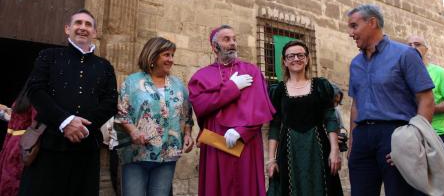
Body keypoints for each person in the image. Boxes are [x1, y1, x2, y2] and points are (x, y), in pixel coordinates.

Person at [19, 9, 118, 196]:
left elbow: (111, 101)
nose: (83, 28)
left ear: (95, 32)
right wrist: (65, 122)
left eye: (88, 24)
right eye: (78, 23)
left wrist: (82, 127)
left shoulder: (105, 66)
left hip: (87, 149)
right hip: (49, 146)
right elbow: (36, 90)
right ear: (67, 29)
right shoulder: (48, 56)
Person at [347, 4, 435, 196]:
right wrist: (353, 142)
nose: (350, 33)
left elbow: (426, 99)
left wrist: (413, 141)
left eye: (354, 26)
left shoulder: (405, 54)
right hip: (362, 138)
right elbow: (356, 105)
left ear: (372, 22)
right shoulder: (355, 64)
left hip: (396, 135)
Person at [188, 25, 275, 196]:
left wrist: (241, 131)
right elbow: (200, 105)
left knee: (245, 186)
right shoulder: (201, 76)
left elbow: (258, 107)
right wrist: (232, 88)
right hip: (216, 139)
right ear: (214, 47)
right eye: (226, 39)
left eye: (234, 39)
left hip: (245, 141)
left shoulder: (251, 71)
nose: (233, 43)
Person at [114, 37, 194, 196]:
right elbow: (121, 112)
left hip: (168, 155)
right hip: (136, 154)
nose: (171, 59)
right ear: (153, 55)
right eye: (166, 55)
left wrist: (187, 135)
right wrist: (133, 131)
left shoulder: (178, 85)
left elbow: (186, 115)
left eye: (172, 55)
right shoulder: (132, 82)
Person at [267, 40, 343, 196]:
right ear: (284, 61)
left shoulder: (320, 85)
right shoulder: (278, 90)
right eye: (291, 56)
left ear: (307, 59)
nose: (296, 59)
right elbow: (274, 125)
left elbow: (330, 119)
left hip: (318, 147)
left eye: (300, 55)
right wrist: (271, 159)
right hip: (289, 150)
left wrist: (334, 150)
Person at [407, 35, 444, 153]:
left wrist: (428, 108)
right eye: (409, 45)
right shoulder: (401, 75)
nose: (412, 47)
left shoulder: (440, 73)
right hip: (412, 136)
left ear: (426, 49)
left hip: (439, 134)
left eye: (417, 44)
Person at [0, 79, 35, 196]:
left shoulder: (19, 101)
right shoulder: (37, 100)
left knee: (9, 180)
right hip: (26, 144)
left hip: (11, 144)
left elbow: (14, 120)